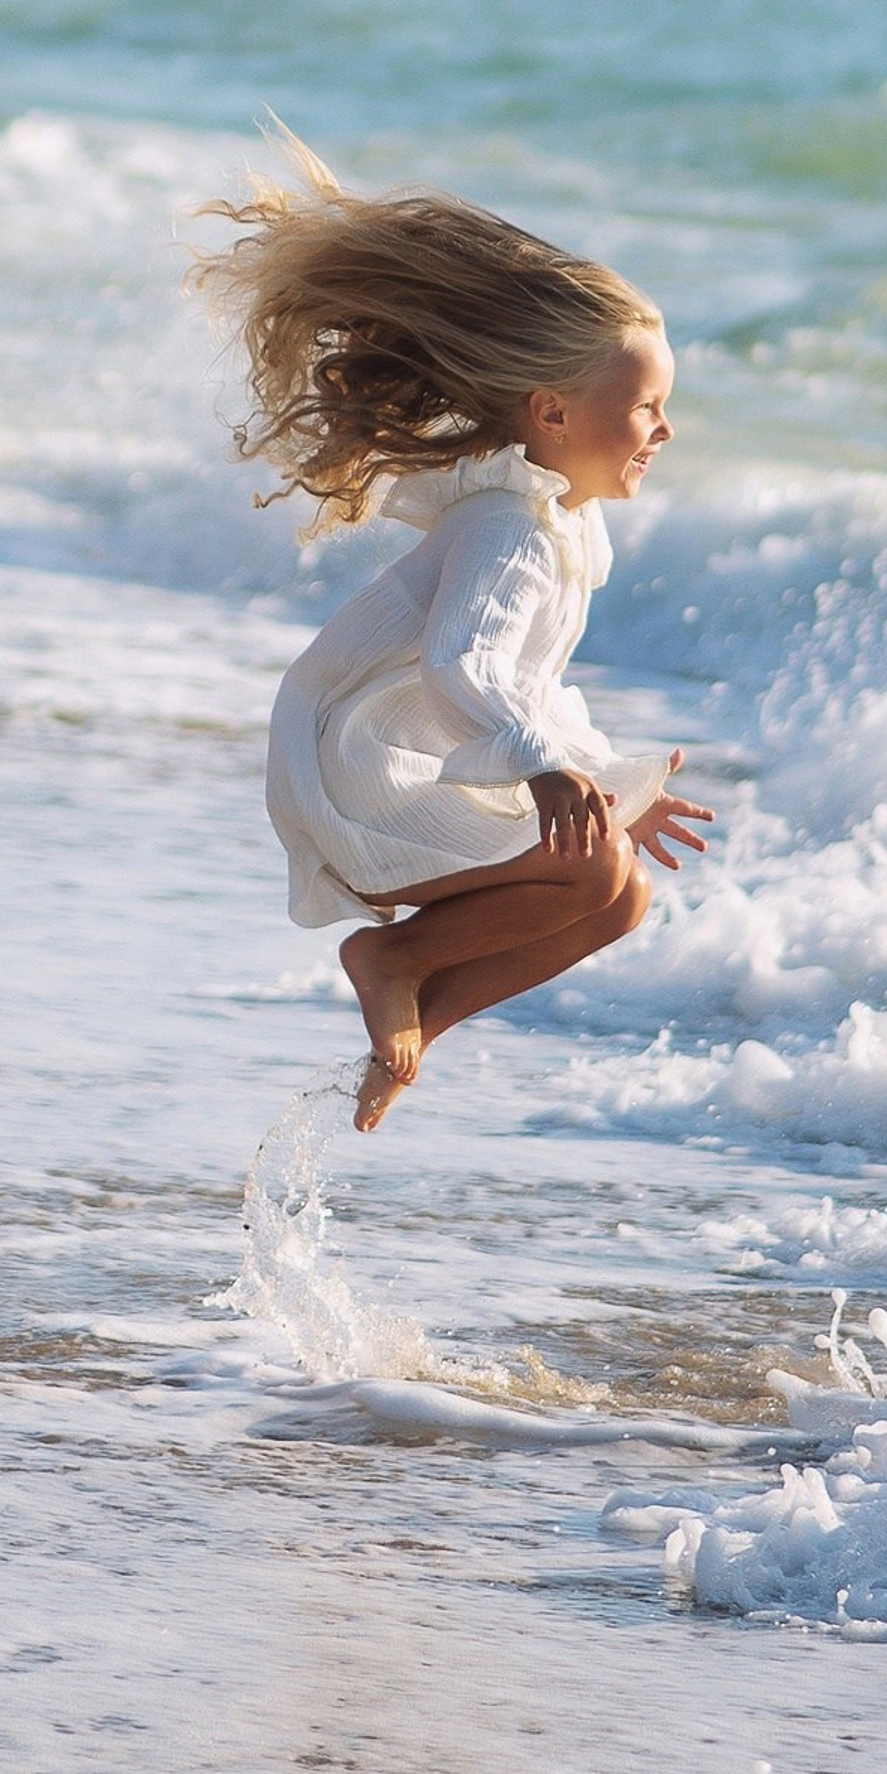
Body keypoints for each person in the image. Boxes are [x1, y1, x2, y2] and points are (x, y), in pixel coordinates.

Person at [201, 163, 714, 1133]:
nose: (665, 429)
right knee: (595, 871)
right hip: (366, 774)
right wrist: (546, 771)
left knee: (622, 897)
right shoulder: (508, 529)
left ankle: (415, 1021)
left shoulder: (556, 522)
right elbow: (463, 666)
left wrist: (607, 784)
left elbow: (529, 687)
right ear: (552, 414)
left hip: (419, 762)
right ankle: (390, 961)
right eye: (645, 407)